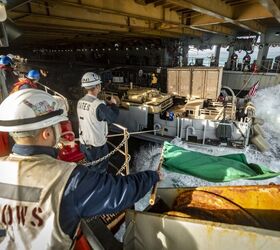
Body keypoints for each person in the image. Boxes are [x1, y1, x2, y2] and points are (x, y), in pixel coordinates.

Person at [0, 89, 161, 250]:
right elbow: (120, 192)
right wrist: (151, 176)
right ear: (46, 133)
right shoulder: (68, 178)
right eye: (57, 125)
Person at [77, 72, 119, 173]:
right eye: (100, 84)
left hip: (84, 143)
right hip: (96, 147)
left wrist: (104, 105)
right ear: (97, 86)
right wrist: (113, 105)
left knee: (88, 167)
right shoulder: (98, 105)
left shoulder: (80, 101)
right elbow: (112, 117)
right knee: (99, 171)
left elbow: (93, 113)